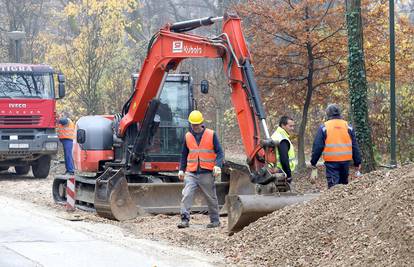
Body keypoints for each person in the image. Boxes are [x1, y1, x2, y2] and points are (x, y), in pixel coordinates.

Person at [177, 110, 224, 229]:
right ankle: (184, 220)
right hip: (191, 172)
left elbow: (220, 152)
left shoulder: (211, 134)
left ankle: (215, 220)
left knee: (211, 197)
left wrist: (218, 165)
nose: (195, 127)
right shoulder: (188, 136)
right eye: (193, 124)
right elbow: (184, 154)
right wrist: (181, 169)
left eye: (197, 124)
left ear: (201, 123)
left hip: (206, 173)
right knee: (186, 194)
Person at [310, 104, 362, 188]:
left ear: (327, 114)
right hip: (345, 161)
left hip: (331, 162)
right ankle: (343, 200)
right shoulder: (348, 127)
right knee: (344, 185)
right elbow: (354, 146)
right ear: (339, 113)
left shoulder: (324, 127)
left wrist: (313, 162)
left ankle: (335, 200)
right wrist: (357, 162)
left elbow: (318, 147)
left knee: (333, 187)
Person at [271, 116, 296, 184]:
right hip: (281, 171)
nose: (292, 128)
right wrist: (288, 175)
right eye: (290, 126)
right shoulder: (282, 138)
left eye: (293, 126)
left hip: (275, 170)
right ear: (283, 125)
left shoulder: (276, 135)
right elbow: (284, 159)